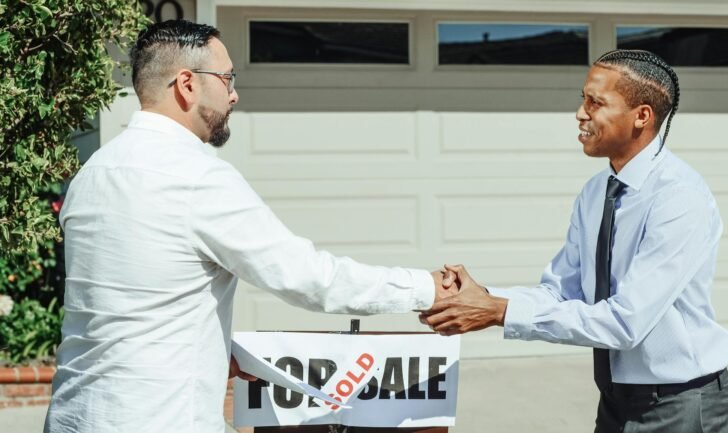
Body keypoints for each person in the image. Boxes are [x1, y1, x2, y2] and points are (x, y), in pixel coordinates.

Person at [44, 20, 455, 433]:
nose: (235, 93)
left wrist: (215, 354)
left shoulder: (93, 173)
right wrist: (430, 288)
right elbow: (309, 278)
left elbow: (123, 304)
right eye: (227, 79)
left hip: (73, 416)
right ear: (187, 84)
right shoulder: (196, 177)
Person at [423, 49, 728, 433]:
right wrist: (483, 297)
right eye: (583, 98)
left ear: (642, 115)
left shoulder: (678, 198)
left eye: (596, 102)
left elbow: (625, 322)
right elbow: (561, 291)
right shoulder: (596, 193)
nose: (580, 113)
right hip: (617, 401)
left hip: (684, 406)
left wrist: (498, 311)